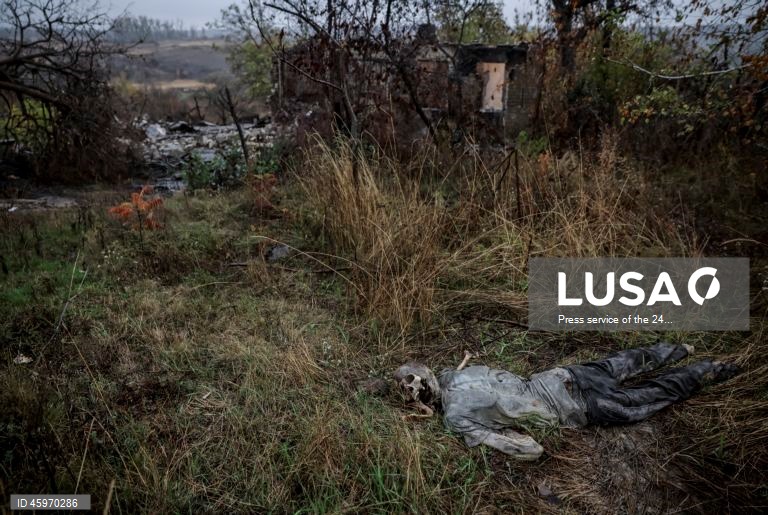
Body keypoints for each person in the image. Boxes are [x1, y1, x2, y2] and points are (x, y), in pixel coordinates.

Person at [394, 342, 739, 460]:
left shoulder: (454, 417)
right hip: (561, 377)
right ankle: (681, 350)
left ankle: (710, 371)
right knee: (622, 363)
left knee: (646, 399)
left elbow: (530, 449)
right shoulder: (456, 375)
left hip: (576, 409)